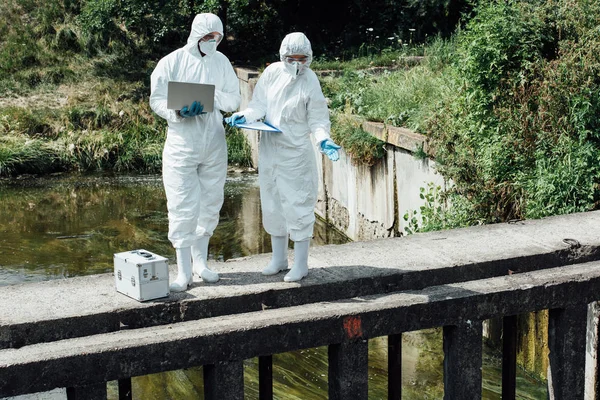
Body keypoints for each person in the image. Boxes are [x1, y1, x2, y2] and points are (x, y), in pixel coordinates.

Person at [225, 32, 341, 282]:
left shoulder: (310, 80)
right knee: (273, 203)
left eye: (302, 59)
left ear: (309, 58)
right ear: (282, 56)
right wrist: (244, 116)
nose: (297, 64)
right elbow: (259, 107)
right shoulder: (272, 74)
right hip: (270, 149)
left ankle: (300, 264)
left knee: (298, 205)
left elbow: (318, 118)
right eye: (292, 58)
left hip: (296, 153)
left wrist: (323, 139)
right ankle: (278, 258)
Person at [150, 13, 241, 292]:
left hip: (213, 142)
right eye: (207, 37)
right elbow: (156, 99)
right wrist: (177, 111)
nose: (213, 42)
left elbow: (234, 99)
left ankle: (201, 262)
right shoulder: (172, 62)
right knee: (181, 204)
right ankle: (183, 271)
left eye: (217, 38)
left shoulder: (222, 62)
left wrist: (211, 97)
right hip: (182, 144)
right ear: (195, 35)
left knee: (210, 202)